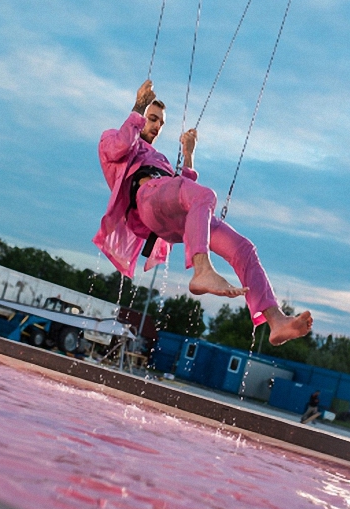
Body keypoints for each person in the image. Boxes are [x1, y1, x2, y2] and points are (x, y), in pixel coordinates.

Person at [94, 79, 313, 345]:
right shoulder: (113, 137)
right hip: (147, 202)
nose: (156, 127)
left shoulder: (160, 158)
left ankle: (276, 320)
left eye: (160, 123)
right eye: (152, 119)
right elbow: (120, 146)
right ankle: (202, 270)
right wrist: (138, 107)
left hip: (172, 220)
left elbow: (187, 196)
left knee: (243, 247)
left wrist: (188, 156)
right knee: (206, 195)